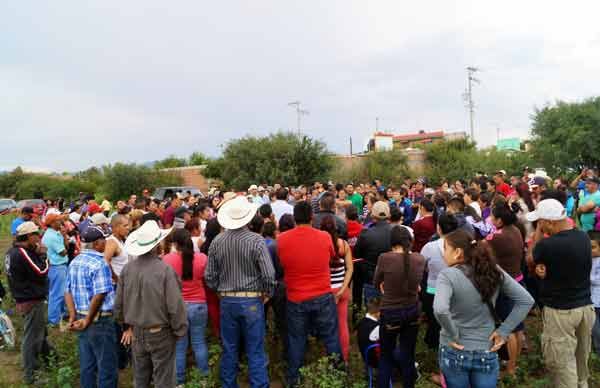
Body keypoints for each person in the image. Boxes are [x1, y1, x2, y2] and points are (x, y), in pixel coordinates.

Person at [434, 229, 534, 388]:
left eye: (445, 248)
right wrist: (504, 331)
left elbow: (440, 309)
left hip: (455, 349)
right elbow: (526, 300)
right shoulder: (493, 270)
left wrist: (452, 333)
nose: (443, 253)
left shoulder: (447, 275)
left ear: (458, 252)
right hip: (486, 348)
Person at [204, 196, 276, 388]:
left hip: (227, 300)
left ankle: (229, 384)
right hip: (252, 300)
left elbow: (209, 275)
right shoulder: (257, 241)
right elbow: (269, 274)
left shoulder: (217, 242)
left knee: (229, 349)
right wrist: (267, 293)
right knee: (255, 349)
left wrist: (219, 291)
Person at [527, 199, 596, 387]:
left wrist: (538, 234)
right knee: (581, 358)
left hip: (560, 311)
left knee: (562, 364)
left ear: (549, 222)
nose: (538, 226)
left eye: (540, 222)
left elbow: (530, 258)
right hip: (585, 308)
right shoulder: (582, 237)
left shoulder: (548, 246)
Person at [115, 220, 188, 387]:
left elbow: (118, 305)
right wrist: (179, 330)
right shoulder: (165, 271)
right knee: (164, 379)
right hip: (160, 332)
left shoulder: (127, 270)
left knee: (141, 378)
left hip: (137, 332)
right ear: (157, 244)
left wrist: (126, 326)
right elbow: (175, 306)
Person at [277, 201, 342, 387]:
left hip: (296, 298)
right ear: (312, 217)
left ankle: (293, 379)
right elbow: (331, 257)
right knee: (331, 337)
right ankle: (338, 375)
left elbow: (282, 263)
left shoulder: (282, 239)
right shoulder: (324, 237)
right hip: (322, 295)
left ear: (294, 218)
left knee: (296, 340)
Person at [64, 226, 117, 388]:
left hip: (81, 316)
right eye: (103, 240)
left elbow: (67, 290)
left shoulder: (75, 262)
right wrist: (88, 319)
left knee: (87, 364)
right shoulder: (100, 264)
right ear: (96, 244)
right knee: (106, 366)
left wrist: (73, 315)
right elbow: (100, 294)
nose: (106, 242)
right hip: (99, 319)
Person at [373, 226, 425, 388]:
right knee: (408, 355)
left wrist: (384, 286)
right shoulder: (420, 259)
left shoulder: (384, 258)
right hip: (412, 311)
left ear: (392, 242)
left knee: (386, 357)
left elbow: (376, 282)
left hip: (391, 313)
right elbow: (418, 284)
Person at [5, 222, 51, 384]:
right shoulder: (23, 253)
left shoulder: (12, 252)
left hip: (24, 298)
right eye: (37, 235)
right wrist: (44, 256)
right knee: (32, 338)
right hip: (31, 300)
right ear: (29, 236)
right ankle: (31, 375)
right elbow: (41, 272)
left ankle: (51, 359)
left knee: (40, 334)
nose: (39, 238)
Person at [163, 229, 209, 385]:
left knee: (179, 346)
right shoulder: (202, 258)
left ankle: (180, 381)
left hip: (178, 306)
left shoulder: (167, 260)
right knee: (199, 342)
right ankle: (204, 378)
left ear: (175, 244)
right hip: (199, 305)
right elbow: (208, 279)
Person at [486, 201, 526, 375]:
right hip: (519, 280)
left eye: (493, 217)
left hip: (506, 286)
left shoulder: (497, 237)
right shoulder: (516, 230)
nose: (490, 219)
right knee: (517, 326)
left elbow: (480, 247)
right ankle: (514, 363)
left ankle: (510, 369)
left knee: (508, 329)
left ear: (500, 220)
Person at [419, 213, 458, 385]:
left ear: (439, 228)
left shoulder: (429, 247)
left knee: (437, 323)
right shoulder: (463, 245)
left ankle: (439, 357)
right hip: (456, 291)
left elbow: (422, 267)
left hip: (433, 290)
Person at [320, 215, 353, 362]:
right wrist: (342, 289)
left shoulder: (320, 245)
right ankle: (344, 357)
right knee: (342, 324)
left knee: (327, 325)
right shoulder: (344, 244)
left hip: (325, 291)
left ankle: (329, 357)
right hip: (341, 289)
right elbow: (350, 269)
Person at [103, 214, 131, 369]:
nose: (128, 228)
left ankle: (124, 355)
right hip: (117, 287)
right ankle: (120, 358)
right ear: (115, 227)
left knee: (126, 321)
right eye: (125, 226)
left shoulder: (121, 241)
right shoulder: (111, 242)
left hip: (125, 286)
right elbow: (105, 261)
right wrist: (115, 277)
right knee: (119, 322)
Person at [354, 201, 392, 309]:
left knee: (372, 314)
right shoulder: (397, 231)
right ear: (388, 215)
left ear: (372, 215)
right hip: (390, 278)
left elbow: (357, 253)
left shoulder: (366, 233)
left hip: (371, 277)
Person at [42, 213, 68, 326]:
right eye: (58, 221)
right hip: (57, 267)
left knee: (59, 292)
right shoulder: (53, 236)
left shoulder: (51, 234)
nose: (61, 223)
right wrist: (64, 237)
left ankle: (61, 314)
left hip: (56, 267)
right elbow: (63, 252)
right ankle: (53, 320)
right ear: (52, 223)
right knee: (57, 294)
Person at [590, 231, 600, 354]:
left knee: (596, 327)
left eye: (593, 247)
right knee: (594, 326)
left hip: (597, 300)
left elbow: (596, 280)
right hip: (593, 299)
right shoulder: (591, 259)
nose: (590, 250)